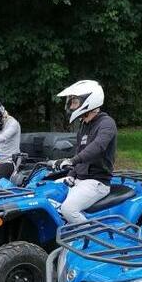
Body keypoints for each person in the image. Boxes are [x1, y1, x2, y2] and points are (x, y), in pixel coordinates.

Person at [53, 80, 117, 224]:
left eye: (75, 102)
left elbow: (98, 146)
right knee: (47, 192)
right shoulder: (84, 125)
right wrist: (71, 174)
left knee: (68, 209)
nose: (71, 106)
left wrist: (72, 160)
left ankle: (89, 240)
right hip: (79, 179)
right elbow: (80, 151)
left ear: (89, 100)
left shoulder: (107, 123)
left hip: (97, 182)